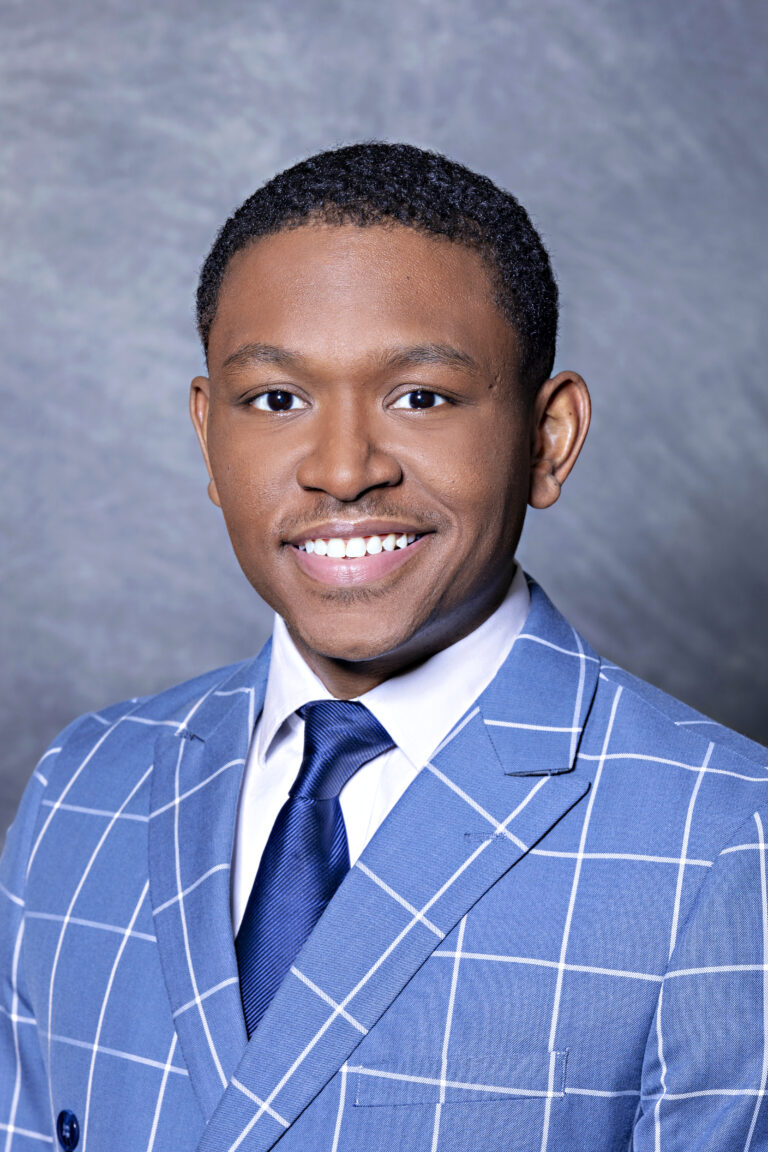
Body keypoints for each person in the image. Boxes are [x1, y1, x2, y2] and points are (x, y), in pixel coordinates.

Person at [2, 142, 767, 1152]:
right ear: (207, 435)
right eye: (277, 400)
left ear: (549, 439)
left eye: (421, 398)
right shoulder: (83, 787)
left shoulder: (726, 840)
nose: (343, 469)